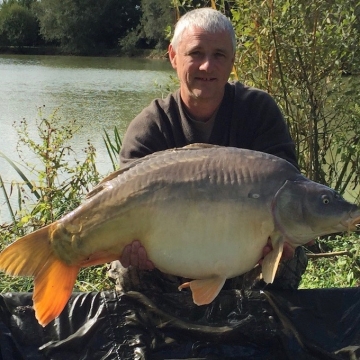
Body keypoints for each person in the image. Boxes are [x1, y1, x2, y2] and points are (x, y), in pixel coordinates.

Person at [108, 8, 308, 294]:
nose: (206, 66)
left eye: (219, 55)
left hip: (244, 256)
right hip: (165, 259)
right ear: (174, 57)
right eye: (196, 53)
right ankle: (166, 330)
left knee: (291, 246)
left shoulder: (259, 112)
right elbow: (120, 203)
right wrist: (127, 247)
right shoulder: (151, 126)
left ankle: (252, 331)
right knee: (126, 264)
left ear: (232, 62)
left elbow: (290, 191)